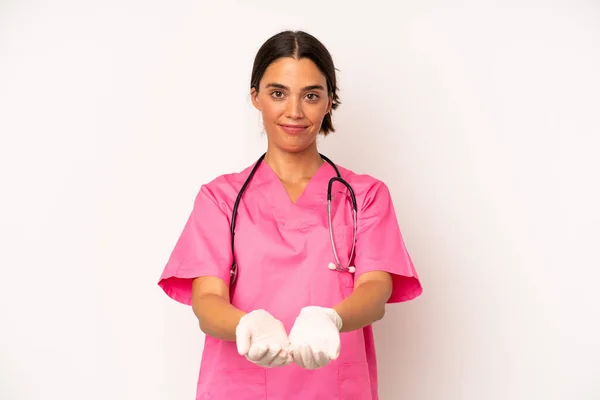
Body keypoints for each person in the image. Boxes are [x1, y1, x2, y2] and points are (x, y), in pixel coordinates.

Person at [158, 30, 422, 400]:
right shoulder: (221, 198)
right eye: (278, 93)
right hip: (240, 387)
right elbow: (206, 302)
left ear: (329, 101)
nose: (294, 111)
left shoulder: (364, 196)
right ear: (256, 97)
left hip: (334, 387)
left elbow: (376, 290)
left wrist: (332, 319)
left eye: (311, 95)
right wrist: (246, 324)